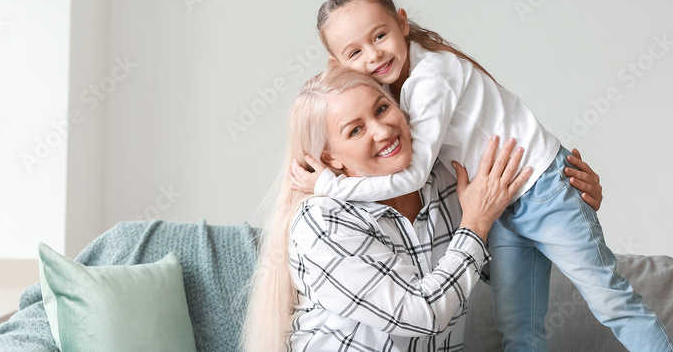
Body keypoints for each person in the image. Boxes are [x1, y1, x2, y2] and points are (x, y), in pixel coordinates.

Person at [290, 0, 673, 351]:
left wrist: (329, 185)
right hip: (501, 206)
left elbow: (417, 176)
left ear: (402, 23)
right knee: (518, 331)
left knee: (611, 301)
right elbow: (468, 260)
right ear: (337, 63)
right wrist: (479, 219)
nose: (373, 55)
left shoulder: (431, 81)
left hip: (541, 189)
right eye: (355, 52)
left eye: (379, 36)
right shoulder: (335, 213)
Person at [242, 67, 604, 352]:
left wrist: (567, 203)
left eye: (382, 108)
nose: (382, 130)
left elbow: (510, 266)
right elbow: (419, 314)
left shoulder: (447, 181)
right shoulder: (324, 221)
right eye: (355, 130)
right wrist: (475, 224)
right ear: (330, 158)